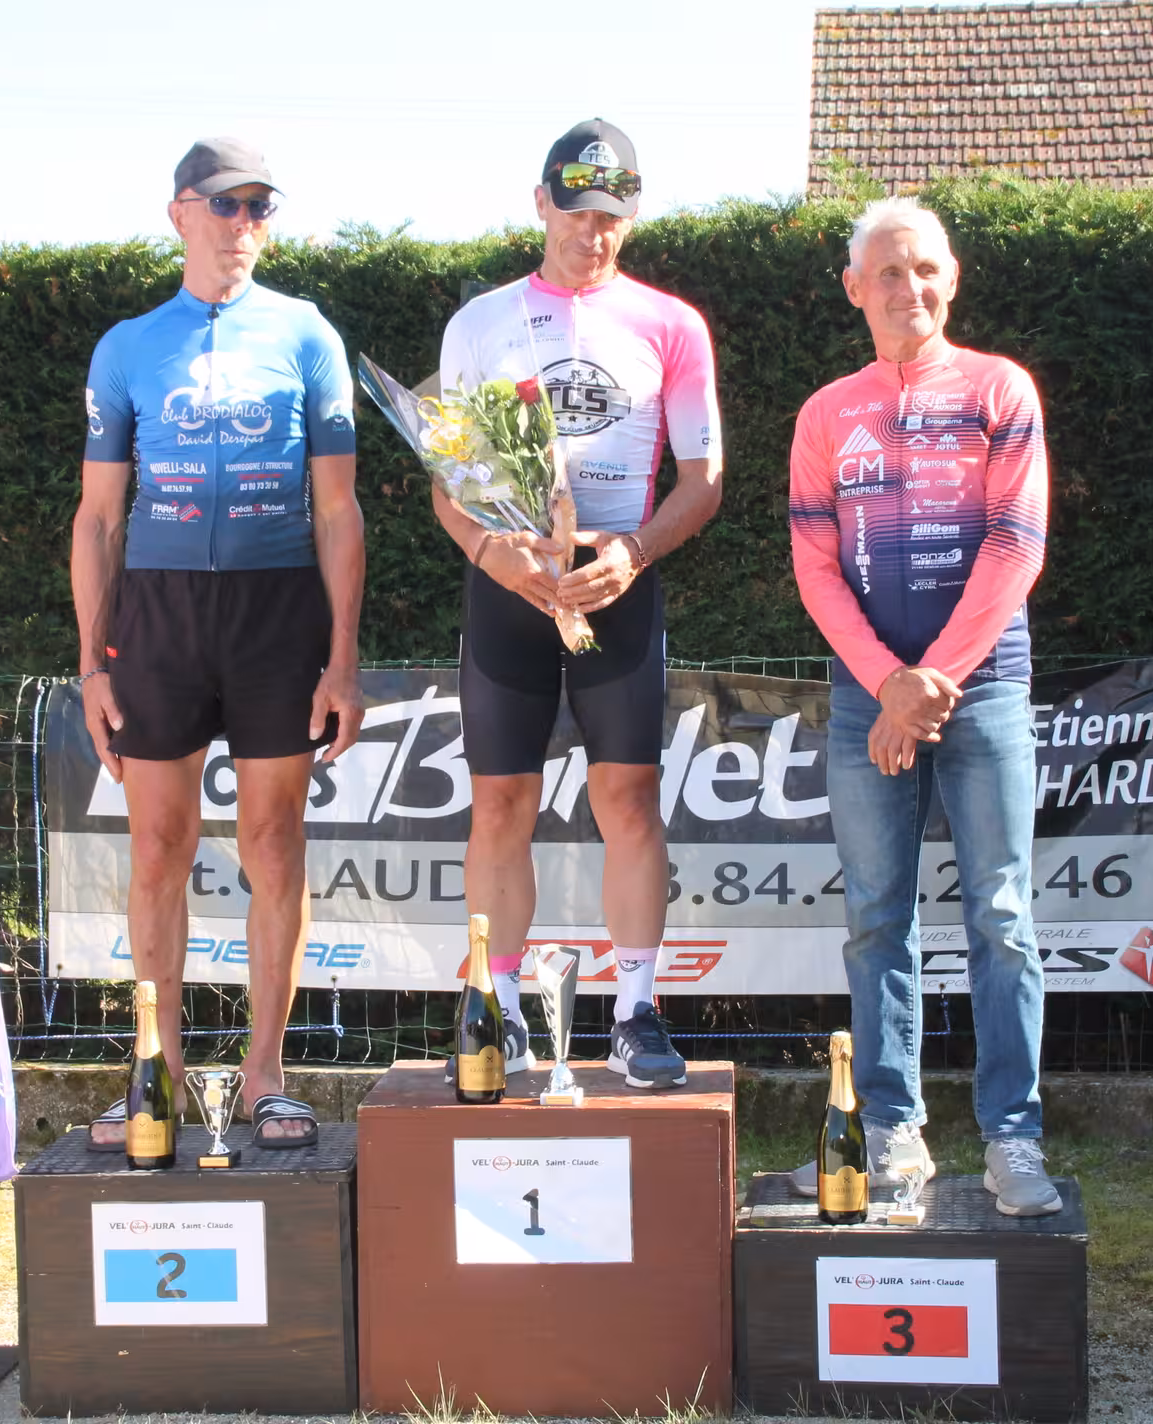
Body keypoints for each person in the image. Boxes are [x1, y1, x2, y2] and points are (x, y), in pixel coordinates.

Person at [72, 137, 364, 1148]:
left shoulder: (306, 333)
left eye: (260, 207)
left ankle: (264, 1074)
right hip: (157, 615)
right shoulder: (127, 346)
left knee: (274, 842)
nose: (245, 224)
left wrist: (342, 659)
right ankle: (155, 1071)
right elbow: (98, 518)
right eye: (226, 205)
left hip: (276, 607)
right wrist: (90, 661)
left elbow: (339, 510)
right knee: (159, 844)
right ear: (180, 214)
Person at [431, 119, 722, 1089]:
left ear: (630, 220)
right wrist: (489, 549)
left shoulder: (672, 324)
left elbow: (704, 480)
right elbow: (449, 484)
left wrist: (633, 551)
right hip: (510, 582)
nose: (590, 232)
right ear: (541, 205)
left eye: (609, 217)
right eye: (575, 211)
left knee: (628, 798)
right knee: (499, 802)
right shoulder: (480, 323)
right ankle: (499, 1011)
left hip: (615, 582)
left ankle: (636, 1011)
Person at [785, 197, 1058, 1214]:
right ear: (855, 288)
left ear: (954, 278)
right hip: (871, 699)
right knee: (875, 920)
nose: (912, 288)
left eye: (928, 269)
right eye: (890, 272)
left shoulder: (1000, 388)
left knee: (1002, 915)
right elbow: (815, 563)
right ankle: (892, 1127)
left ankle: (1013, 1139)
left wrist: (931, 679)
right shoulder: (826, 412)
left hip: (982, 688)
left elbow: (1016, 543)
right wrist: (886, 684)